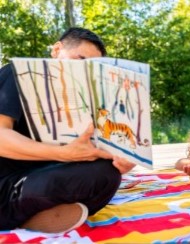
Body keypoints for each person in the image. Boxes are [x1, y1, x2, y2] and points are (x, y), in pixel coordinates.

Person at [0, 27, 135, 233]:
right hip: (6, 185)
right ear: (56, 50)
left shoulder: (82, 97)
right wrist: (64, 153)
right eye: (79, 60)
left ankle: (30, 215)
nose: (82, 72)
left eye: (90, 68)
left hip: (38, 175)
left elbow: (86, 148)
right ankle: (22, 216)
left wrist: (120, 158)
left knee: (108, 173)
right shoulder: (17, 73)